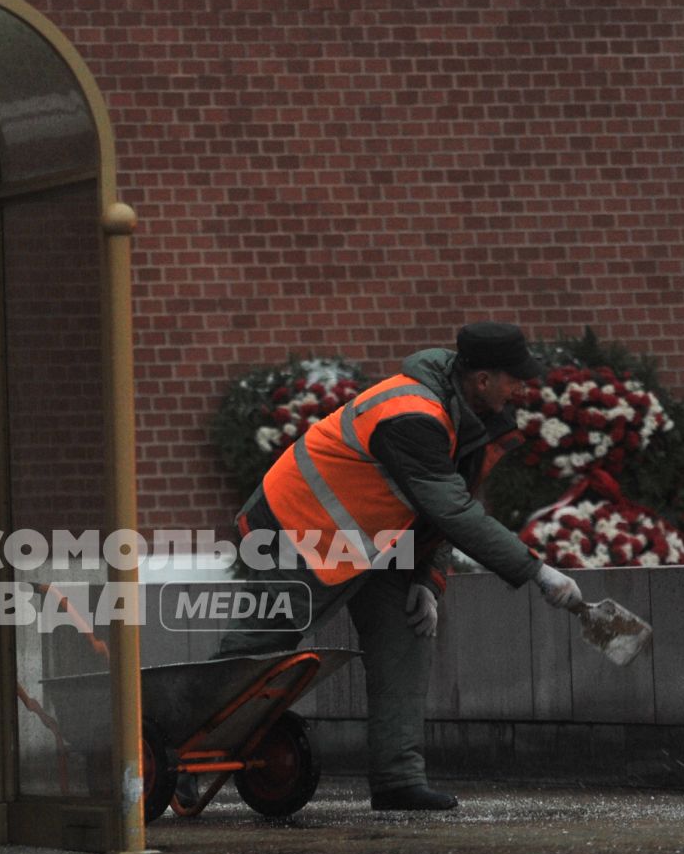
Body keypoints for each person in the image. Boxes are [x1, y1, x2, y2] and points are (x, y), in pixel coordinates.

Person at [216, 322, 584, 812]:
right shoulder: (411, 414)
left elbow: (443, 507)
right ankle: (183, 753)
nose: (522, 388)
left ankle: (398, 781)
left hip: (375, 539)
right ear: (480, 380)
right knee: (258, 650)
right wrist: (538, 572)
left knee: (406, 635)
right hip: (300, 530)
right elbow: (452, 511)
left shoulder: (466, 417)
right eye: (513, 379)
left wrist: (427, 580)